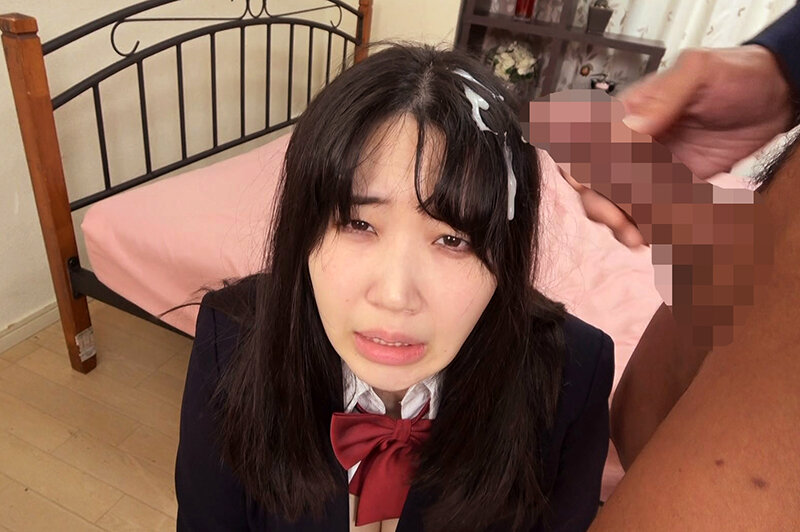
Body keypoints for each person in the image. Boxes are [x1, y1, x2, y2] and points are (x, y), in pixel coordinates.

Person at [174, 44, 614, 532]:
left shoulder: (573, 375)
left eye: (453, 239)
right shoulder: (232, 337)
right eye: (358, 223)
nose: (395, 295)